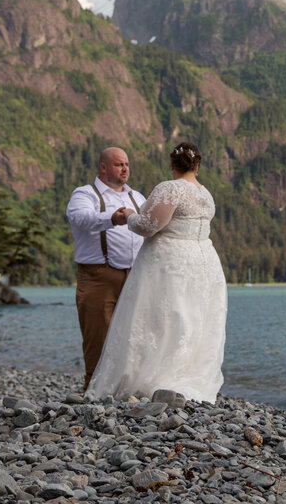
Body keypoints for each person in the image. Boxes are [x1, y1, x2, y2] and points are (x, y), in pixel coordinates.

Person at [86, 141, 227, 403]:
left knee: (160, 317)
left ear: (172, 164)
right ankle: (187, 373)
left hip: (170, 261)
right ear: (197, 165)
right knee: (192, 318)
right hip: (203, 262)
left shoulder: (170, 189)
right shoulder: (206, 194)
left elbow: (148, 225)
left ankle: (153, 379)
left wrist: (129, 215)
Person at [66, 146, 146, 391]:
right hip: (98, 276)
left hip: (136, 277)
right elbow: (82, 219)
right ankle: (93, 389)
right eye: (119, 164)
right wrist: (112, 218)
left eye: (127, 164)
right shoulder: (84, 194)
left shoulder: (138, 198)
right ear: (103, 167)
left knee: (136, 335)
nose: (125, 169)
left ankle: (130, 387)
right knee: (97, 337)